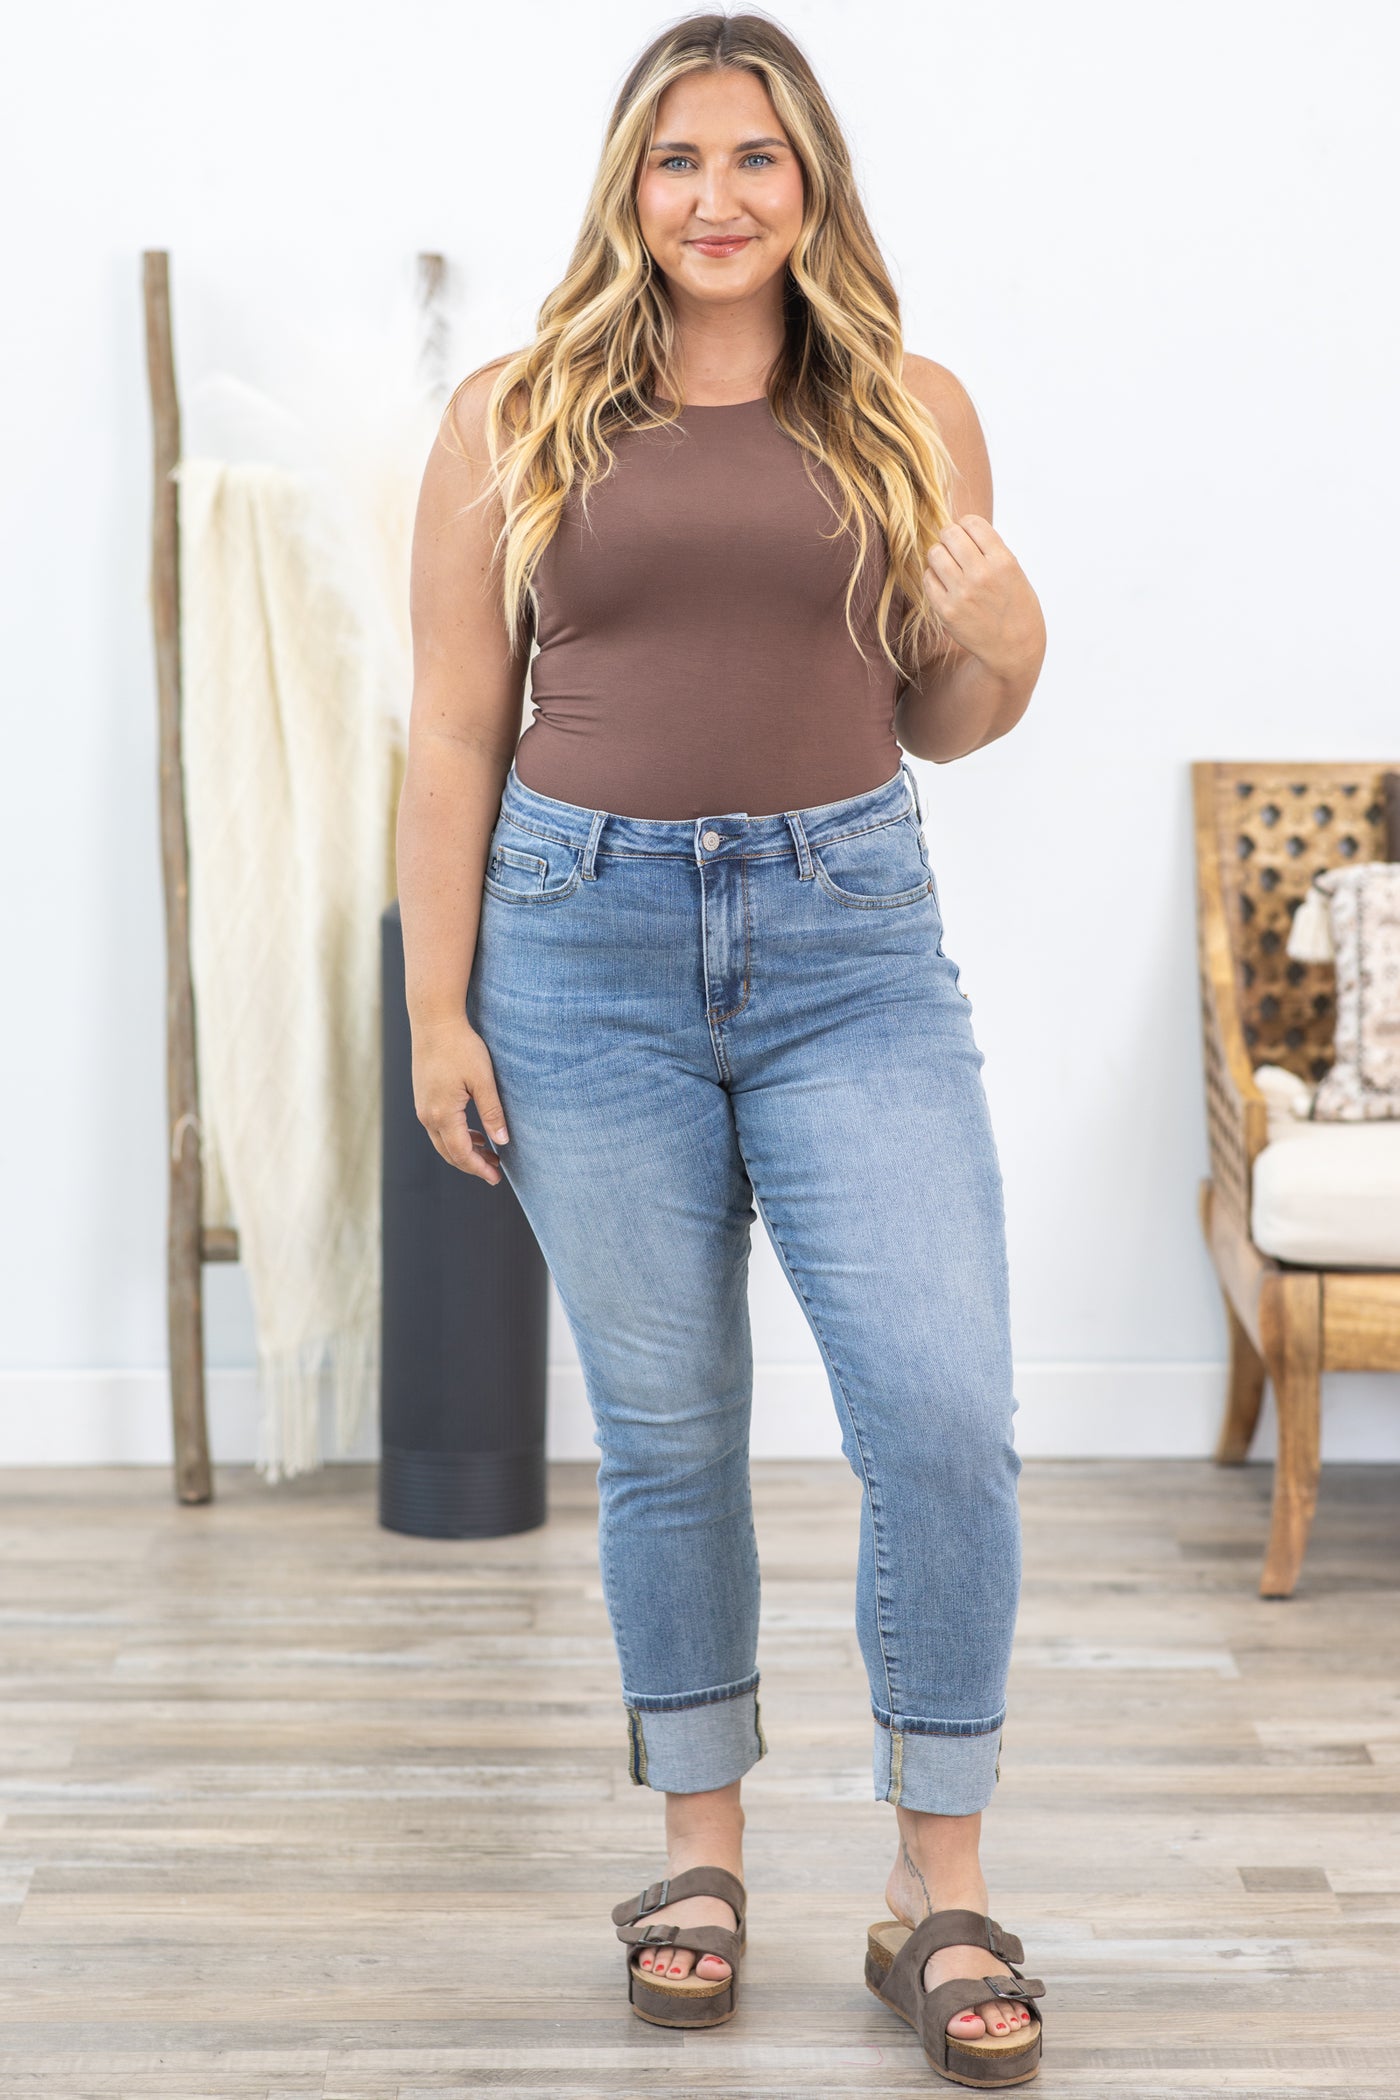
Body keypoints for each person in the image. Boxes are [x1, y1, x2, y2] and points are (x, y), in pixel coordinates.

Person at [398, 10, 1047, 2085]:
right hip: (574, 952)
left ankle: (937, 1880)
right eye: (678, 158)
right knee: (669, 1429)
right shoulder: (513, 412)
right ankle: (701, 1848)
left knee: (937, 1412)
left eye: (754, 156)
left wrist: (1013, 642)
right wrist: (435, 1006)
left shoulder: (912, 409)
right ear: (629, 185)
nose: (715, 195)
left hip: (850, 946)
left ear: (811, 180)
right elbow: (453, 728)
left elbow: (945, 714)